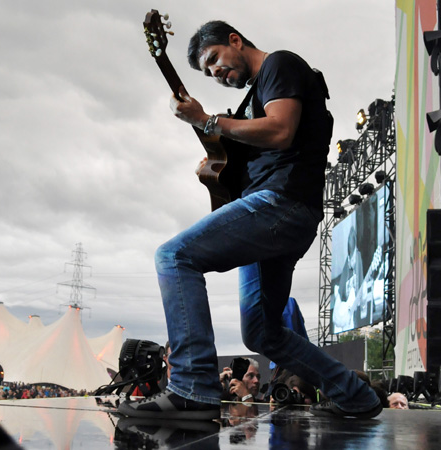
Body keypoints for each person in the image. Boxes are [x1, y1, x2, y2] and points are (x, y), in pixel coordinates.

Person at [118, 20, 382, 421]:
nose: (216, 74)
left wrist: (206, 121)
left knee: (174, 257)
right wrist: (217, 167)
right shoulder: (249, 102)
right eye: (209, 73)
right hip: (285, 217)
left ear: (235, 41)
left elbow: (280, 131)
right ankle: (355, 395)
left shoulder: (280, 65)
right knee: (262, 333)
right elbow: (250, 155)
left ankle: (192, 387)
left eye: (214, 60)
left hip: (281, 205)